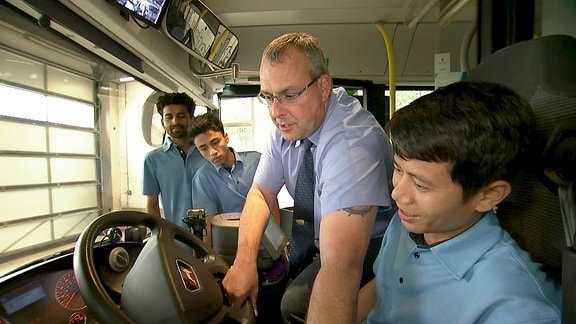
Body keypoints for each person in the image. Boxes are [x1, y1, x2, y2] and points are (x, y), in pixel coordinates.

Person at [222, 32, 395, 323]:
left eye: (289, 95)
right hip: (319, 236)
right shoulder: (287, 124)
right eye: (269, 97)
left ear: (324, 87)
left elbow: (342, 265)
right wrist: (243, 260)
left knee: (293, 304)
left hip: (377, 240)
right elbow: (260, 193)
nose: (276, 112)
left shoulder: (353, 144)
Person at [357, 81, 562, 323]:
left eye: (421, 185)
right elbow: (381, 288)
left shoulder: (516, 307)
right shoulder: (406, 224)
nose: (398, 194)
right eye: (399, 170)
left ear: (488, 196)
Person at [189, 112, 263, 242]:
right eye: (203, 148)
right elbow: (209, 224)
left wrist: (278, 246)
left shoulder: (256, 161)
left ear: (226, 137)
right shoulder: (202, 178)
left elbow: (271, 203)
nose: (212, 152)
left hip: (264, 237)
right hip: (229, 242)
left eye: (215, 142)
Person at [142, 92, 206, 228]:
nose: (175, 122)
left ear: (191, 118)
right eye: (169, 117)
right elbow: (152, 204)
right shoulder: (153, 160)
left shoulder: (207, 153)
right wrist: (160, 239)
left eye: (181, 116)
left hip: (212, 237)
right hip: (176, 240)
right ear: (162, 121)